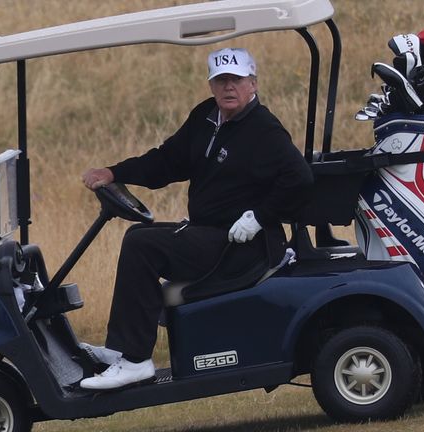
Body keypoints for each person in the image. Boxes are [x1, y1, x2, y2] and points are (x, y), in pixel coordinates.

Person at [79, 47, 313, 390]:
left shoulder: (265, 129)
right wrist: (115, 172)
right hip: (210, 235)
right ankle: (123, 351)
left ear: (253, 84)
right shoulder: (207, 117)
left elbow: (300, 178)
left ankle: (135, 361)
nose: (228, 87)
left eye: (236, 79)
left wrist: (260, 217)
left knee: (141, 243)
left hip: (243, 246)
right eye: (221, 80)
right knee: (142, 239)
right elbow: (167, 162)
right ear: (211, 85)